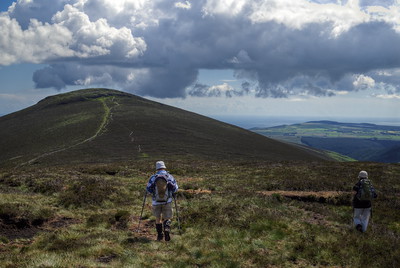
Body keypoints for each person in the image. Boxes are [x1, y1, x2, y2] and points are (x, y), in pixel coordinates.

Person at [146, 161, 178, 241]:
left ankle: (160, 235)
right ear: (164, 167)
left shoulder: (153, 177)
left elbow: (148, 189)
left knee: (158, 218)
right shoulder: (170, 176)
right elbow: (176, 189)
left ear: (157, 168)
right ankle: (166, 228)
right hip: (167, 201)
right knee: (167, 217)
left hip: (156, 201)